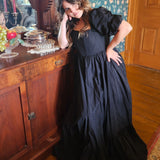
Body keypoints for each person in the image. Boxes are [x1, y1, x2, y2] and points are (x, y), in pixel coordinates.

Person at [55, 0, 148, 159]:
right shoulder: (73, 23)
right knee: (88, 110)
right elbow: (62, 44)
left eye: (73, 5)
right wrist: (64, 21)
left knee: (109, 107)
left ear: (80, 2)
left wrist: (109, 48)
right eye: (67, 10)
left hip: (105, 68)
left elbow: (126, 27)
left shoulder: (96, 15)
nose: (72, 11)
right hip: (86, 73)